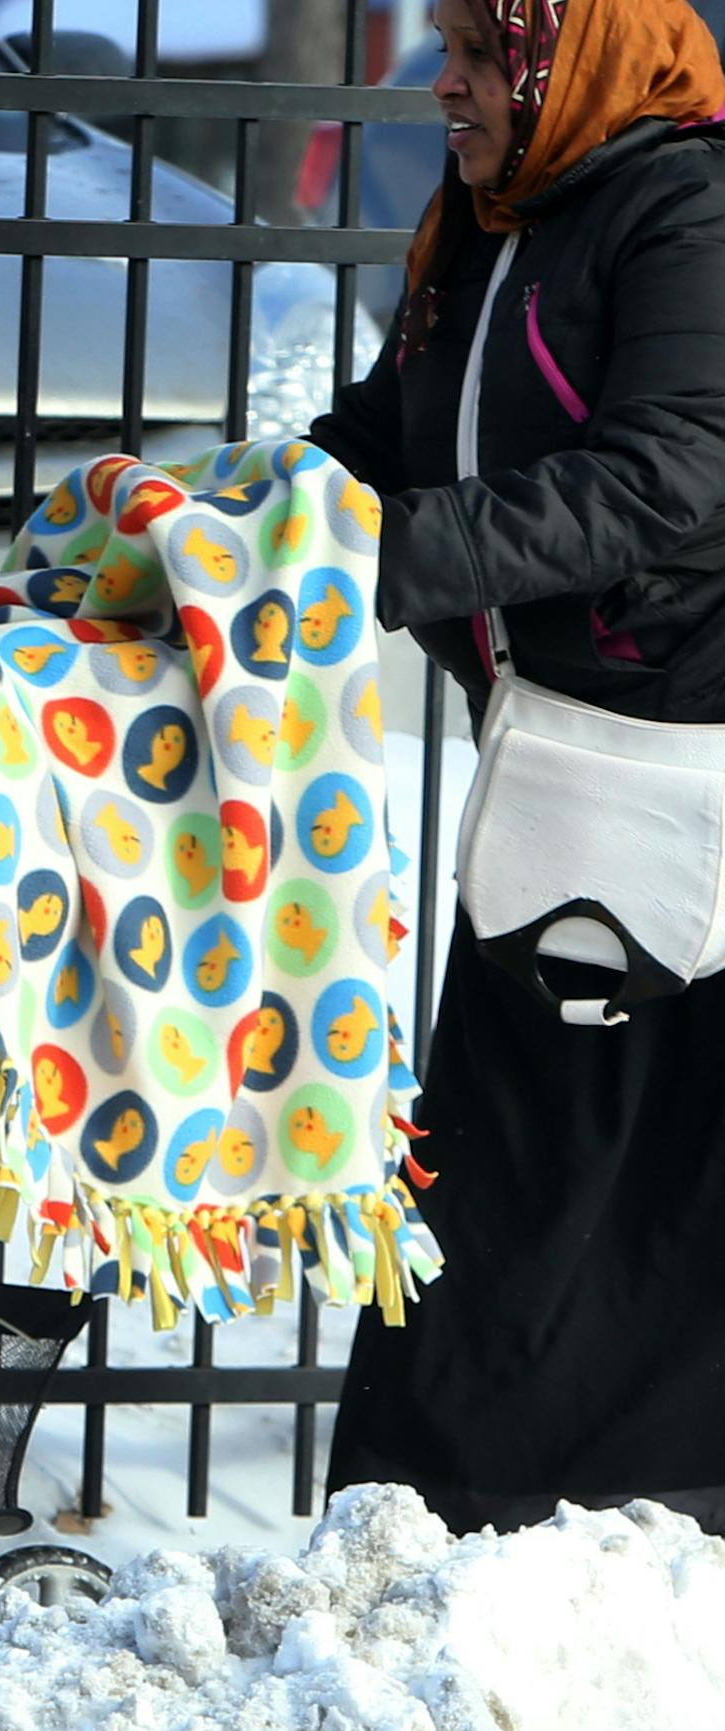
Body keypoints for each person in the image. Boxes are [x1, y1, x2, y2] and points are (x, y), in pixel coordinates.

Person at [309, 0, 725, 1532]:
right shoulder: (492, 221)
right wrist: (244, 522)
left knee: (621, 1208)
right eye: (448, 51)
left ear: (566, 64)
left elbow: (666, 474)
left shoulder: (685, 209)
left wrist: (388, 554)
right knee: (499, 1190)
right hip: (551, 769)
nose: (446, 88)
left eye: (479, 57)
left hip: (671, 785)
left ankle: (609, 1545)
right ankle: (441, 1528)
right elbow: (382, 433)